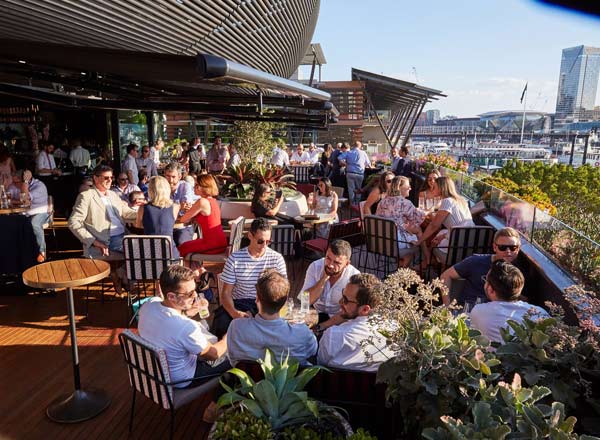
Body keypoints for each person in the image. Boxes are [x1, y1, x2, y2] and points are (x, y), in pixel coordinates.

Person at [138, 265, 229, 388]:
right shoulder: (185, 327)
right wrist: (229, 336)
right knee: (234, 354)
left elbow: (168, 322)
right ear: (171, 296)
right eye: (190, 293)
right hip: (181, 380)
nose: (195, 296)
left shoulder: (149, 305)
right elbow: (214, 354)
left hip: (153, 371)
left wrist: (188, 312)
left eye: (195, 290)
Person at [212, 218, 287, 338]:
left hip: (266, 303)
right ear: (250, 236)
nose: (264, 246)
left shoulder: (276, 258)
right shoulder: (235, 259)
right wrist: (235, 313)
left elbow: (282, 291)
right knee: (221, 324)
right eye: (260, 241)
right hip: (239, 303)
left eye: (268, 242)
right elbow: (226, 293)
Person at [227, 269, 317, 366]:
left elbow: (232, 359)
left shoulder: (236, 327)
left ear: (257, 298)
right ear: (284, 303)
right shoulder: (301, 332)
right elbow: (313, 351)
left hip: (249, 380)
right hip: (289, 380)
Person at [317, 273, 393, 372]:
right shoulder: (395, 330)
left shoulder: (334, 335)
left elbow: (320, 364)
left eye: (346, 300)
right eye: (342, 295)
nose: (340, 302)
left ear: (365, 309)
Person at [440, 227, 525, 307]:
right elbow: (445, 276)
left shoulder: (519, 271)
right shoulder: (476, 261)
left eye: (513, 248)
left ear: (518, 249)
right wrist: (447, 306)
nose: (508, 251)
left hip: (498, 314)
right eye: (502, 247)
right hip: (469, 311)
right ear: (495, 247)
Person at [470, 260, 548, 344]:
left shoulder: (479, 311)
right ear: (520, 288)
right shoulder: (540, 313)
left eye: (486, 280)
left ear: (490, 289)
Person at [68, 164, 137, 258]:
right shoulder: (86, 196)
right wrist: (93, 241)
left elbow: (126, 213)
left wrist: (146, 213)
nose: (110, 180)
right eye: (106, 178)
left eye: (111, 177)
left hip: (124, 235)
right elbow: (73, 222)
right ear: (95, 178)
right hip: (107, 239)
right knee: (139, 252)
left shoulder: (113, 194)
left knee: (149, 247)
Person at [413, 176, 475, 265]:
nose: (432, 188)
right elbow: (462, 225)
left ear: (441, 188)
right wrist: (443, 236)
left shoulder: (447, 201)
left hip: (457, 245)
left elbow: (434, 225)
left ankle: (429, 264)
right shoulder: (461, 200)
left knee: (433, 241)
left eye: (435, 187)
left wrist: (419, 241)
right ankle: (430, 264)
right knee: (439, 236)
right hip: (470, 242)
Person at [300, 239, 360, 322]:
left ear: (347, 264)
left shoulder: (353, 277)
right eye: (328, 258)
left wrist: (325, 325)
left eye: (337, 262)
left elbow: (351, 312)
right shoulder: (315, 267)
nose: (330, 265)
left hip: (339, 318)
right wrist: (324, 278)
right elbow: (305, 302)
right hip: (315, 313)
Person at [375, 176, 425, 266]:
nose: (410, 188)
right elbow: (418, 219)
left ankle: (402, 266)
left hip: (380, 242)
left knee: (412, 232)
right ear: (399, 187)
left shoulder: (382, 202)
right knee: (418, 234)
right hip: (396, 243)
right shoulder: (405, 203)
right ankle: (425, 261)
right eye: (408, 186)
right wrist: (428, 211)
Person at [178, 174, 228, 258]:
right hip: (220, 242)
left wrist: (180, 208)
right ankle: (198, 270)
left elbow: (183, 219)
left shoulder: (202, 202)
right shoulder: (213, 200)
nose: (194, 187)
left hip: (212, 244)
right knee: (185, 246)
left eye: (196, 185)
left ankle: (190, 270)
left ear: (204, 187)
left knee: (181, 249)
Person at [136, 176, 180, 258]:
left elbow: (138, 225)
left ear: (150, 191)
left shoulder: (143, 208)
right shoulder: (175, 207)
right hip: (170, 253)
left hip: (149, 254)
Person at [12, 169, 50, 263]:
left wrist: (24, 182)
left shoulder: (39, 186)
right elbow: (23, 201)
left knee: (34, 223)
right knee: (14, 222)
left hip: (42, 212)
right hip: (28, 213)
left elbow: (24, 199)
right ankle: (22, 254)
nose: (15, 185)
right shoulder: (22, 185)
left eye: (17, 182)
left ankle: (42, 252)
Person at [163, 162, 197, 246]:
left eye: (173, 177)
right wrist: (178, 207)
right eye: (168, 176)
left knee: (180, 243)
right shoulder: (161, 187)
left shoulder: (185, 187)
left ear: (179, 176)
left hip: (182, 227)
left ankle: (181, 259)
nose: (170, 180)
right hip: (165, 226)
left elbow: (186, 208)